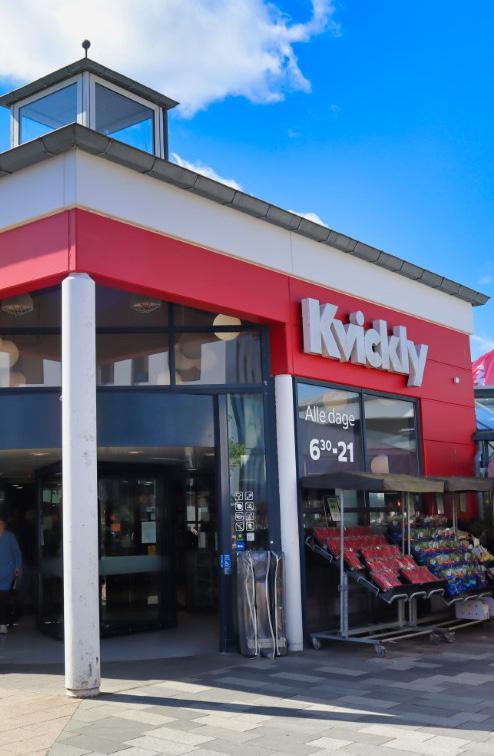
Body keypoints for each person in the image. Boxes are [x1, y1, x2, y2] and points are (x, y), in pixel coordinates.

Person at [0, 517, 22, 634]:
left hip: (6, 573)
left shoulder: (10, 536)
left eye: (1, 523)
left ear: (5, 525)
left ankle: (3, 624)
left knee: (3, 599)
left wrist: (17, 567)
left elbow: (17, 553)